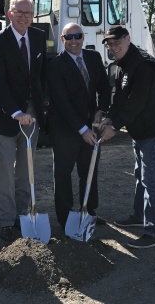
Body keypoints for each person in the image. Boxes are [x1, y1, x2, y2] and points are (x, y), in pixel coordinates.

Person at [99, 26, 155, 249]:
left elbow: (137, 102)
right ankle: (139, 216)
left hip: (154, 131)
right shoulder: (123, 65)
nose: (113, 47)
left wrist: (116, 127)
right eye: (110, 44)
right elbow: (120, 98)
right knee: (141, 175)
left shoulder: (142, 65)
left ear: (128, 39)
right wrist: (109, 118)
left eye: (117, 42)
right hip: (140, 132)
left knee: (152, 181)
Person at [0, 0, 47, 242]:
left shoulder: (39, 37)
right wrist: (15, 112)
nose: (24, 17)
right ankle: (5, 221)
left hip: (31, 115)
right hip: (5, 115)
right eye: (19, 12)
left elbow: (40, 76)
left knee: (26, 169)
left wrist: (38, 107)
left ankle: (25, 215)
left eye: (28, 13)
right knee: (5, 172)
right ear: (9, 14)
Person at [47, 23, 111, 229]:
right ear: (62, 39)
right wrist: (82, 130)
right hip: (65, 128)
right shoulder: (55, 65)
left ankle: (89, 210)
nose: (74, 41)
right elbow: (61, 102)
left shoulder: (93, 58)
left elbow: (105, 87)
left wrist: (102, 109)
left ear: (83, 37)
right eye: (69, 37)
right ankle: (65, 218)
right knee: (63, 173)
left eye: (77, 36)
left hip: (91, 126)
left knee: (89, 170)